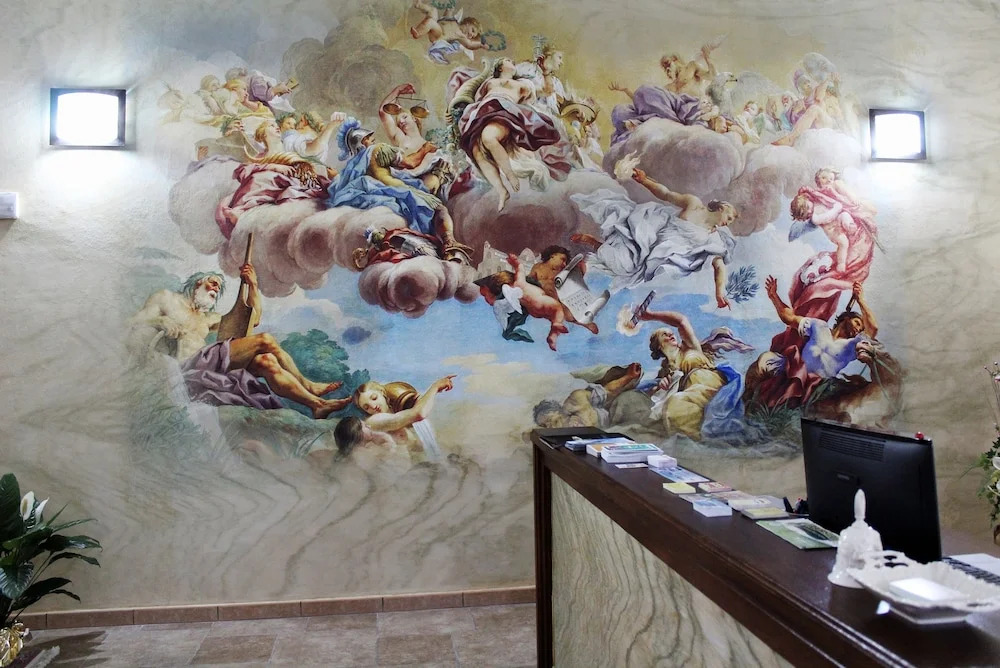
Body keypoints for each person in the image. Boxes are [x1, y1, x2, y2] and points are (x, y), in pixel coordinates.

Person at [130, 265, 351, 418]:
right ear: (198, 282)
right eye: (213, 284)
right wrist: (161, 320)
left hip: (208, 364)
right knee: (265, 340)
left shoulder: (209, 318)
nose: (215, 290)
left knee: (266, 362)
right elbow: (132, 322)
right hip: (187, 367)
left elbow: (253, 319)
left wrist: (253, 285)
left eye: (218, 289)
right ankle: (309, 385)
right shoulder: (167, 298)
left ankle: (317, 405)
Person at [571, 164, 737, 306]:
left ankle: (593, 242)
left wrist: (719, 293)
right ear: (721, 207)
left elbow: (719, 266)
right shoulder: (694, 204)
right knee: (622, 240)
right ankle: (590, 254)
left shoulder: (713, 238)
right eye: (729, 218)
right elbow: (666, 194)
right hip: (651, 232)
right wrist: (644, 181)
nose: (727, 223)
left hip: (659, 253)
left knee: (622, 267)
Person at [326, 118, 471, 263]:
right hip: (396, 189)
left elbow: (339, 184)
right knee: (439, 208)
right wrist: (425, 149)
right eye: (369, 137)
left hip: (379, 195)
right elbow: (410, 163)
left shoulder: (354, 165)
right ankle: (449, 242)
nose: (373, 138)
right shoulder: (378, 149)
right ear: (363, 141)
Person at [448, 58, 572, 210]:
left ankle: (509, 174)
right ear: (500, 67)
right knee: (477, 150)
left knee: (489, 138)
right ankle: (501, 190)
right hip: (483, 112)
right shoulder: (489, 83)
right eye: (508, 60)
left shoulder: (522, 84)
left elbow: (547, 91)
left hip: (505, 112)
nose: (512, 61)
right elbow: (472, 99)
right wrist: (454, 114)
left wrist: (546, 73)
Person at [745, 276, 878, 409]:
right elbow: (789, 318)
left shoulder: (852, 345)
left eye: (860, 329)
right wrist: (774, 297)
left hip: (819, 386)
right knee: (765, 360)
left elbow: (873, 329)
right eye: (857, 323)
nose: (858, 329)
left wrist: (860, 300)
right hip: (795, 372)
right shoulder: (819, 326)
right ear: (847, 318)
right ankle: (746, 398)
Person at [639, 307, 757, 441]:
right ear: (658, 345)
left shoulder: (690, 347)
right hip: (693, 395)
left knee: (677, 402)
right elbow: (654, 394)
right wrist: (662, 384)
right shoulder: (665, 371)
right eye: (664, 334)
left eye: (671, 333)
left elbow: (681, 321)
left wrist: (651, 315)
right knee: (675, 406)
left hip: (713, 387)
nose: (670, 334)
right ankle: (697, 442)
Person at [214, 118, 330, 238]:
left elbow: (306, 161)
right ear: (263, 133)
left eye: (276, 125)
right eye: (271, 125)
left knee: (265, 178)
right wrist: (273, 166)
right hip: (270, 184)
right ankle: (242, 210)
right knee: (258, 178)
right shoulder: (260, 156)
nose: (276, 127)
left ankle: (244, 210)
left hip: (291, 181)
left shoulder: (289, 149)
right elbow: (242, 171)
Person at [786, 184, 876, 322]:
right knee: (843, 243)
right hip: (834, 230)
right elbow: (829, 216)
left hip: (839, 219)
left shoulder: (819, 201)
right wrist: (837, 208)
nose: (810, 212)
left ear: (808, 200)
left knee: (845, 216)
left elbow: (831, 201)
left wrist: (838, 206)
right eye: (806, 214)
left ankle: (850, 226)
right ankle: (841, 264)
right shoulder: (815, 217)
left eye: (808, 208)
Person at [476, 253, 571, 351]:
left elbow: (499, 305)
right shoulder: (519, 283)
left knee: (554, 317)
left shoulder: (511, 294)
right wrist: (514, 261)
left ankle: (553, 334)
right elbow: (519, 267)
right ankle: (554, 330)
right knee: (558, 310)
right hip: (542, 303)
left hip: (533, 311)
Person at [353, 376, 456, 441]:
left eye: (374, 398)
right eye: (366, 407)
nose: (373, 406)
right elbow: (419, 414)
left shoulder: (397, 412)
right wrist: (435, 387)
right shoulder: (374, 421)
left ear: (382, 393)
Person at [528, 244, 599, 334]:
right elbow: (529, 281)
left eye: (565, 262)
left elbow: (575, 278)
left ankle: (584, 322)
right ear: (553, 256)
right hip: (544, 298)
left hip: (560, 298)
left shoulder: (561, 271)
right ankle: (582, 322)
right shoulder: (537, 267)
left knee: (569, 315)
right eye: (562, 259)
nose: (564, 264)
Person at [409, 1, 487, 64]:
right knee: (433, 11)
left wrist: (480, 45)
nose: (471, 35)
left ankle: (418, 33)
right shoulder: (454, 21)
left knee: (431, 22)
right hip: (436, 26)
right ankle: (419, 5)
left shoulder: (461, 36)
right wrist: (451, 6)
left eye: (473, 36)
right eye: (473, 30)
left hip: (438, 35)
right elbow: (447, 14)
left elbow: (470, 44)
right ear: (468, 23)